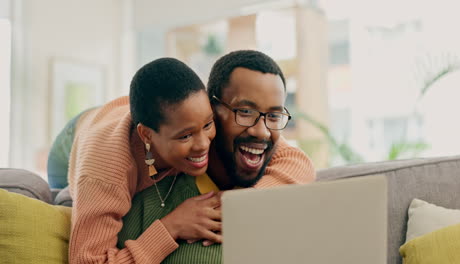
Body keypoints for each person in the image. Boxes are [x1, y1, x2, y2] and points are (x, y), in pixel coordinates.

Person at [117, 50, 316, 263]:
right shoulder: (148, 203)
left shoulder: (290, 194)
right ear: (210, 110)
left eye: (274, 116)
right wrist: (170, 228)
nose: (262, 132)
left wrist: (245, 205)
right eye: (245, 112)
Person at [48, 58, 223, 263]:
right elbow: (87, 260)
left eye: (208, 125)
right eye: (185, 136)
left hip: (123, 112)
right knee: (69, 200)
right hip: (74, 141)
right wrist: (172, 226)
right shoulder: (106, 172)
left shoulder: (197, 117)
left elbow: (269, 151)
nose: (203, 144)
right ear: (147, 135)